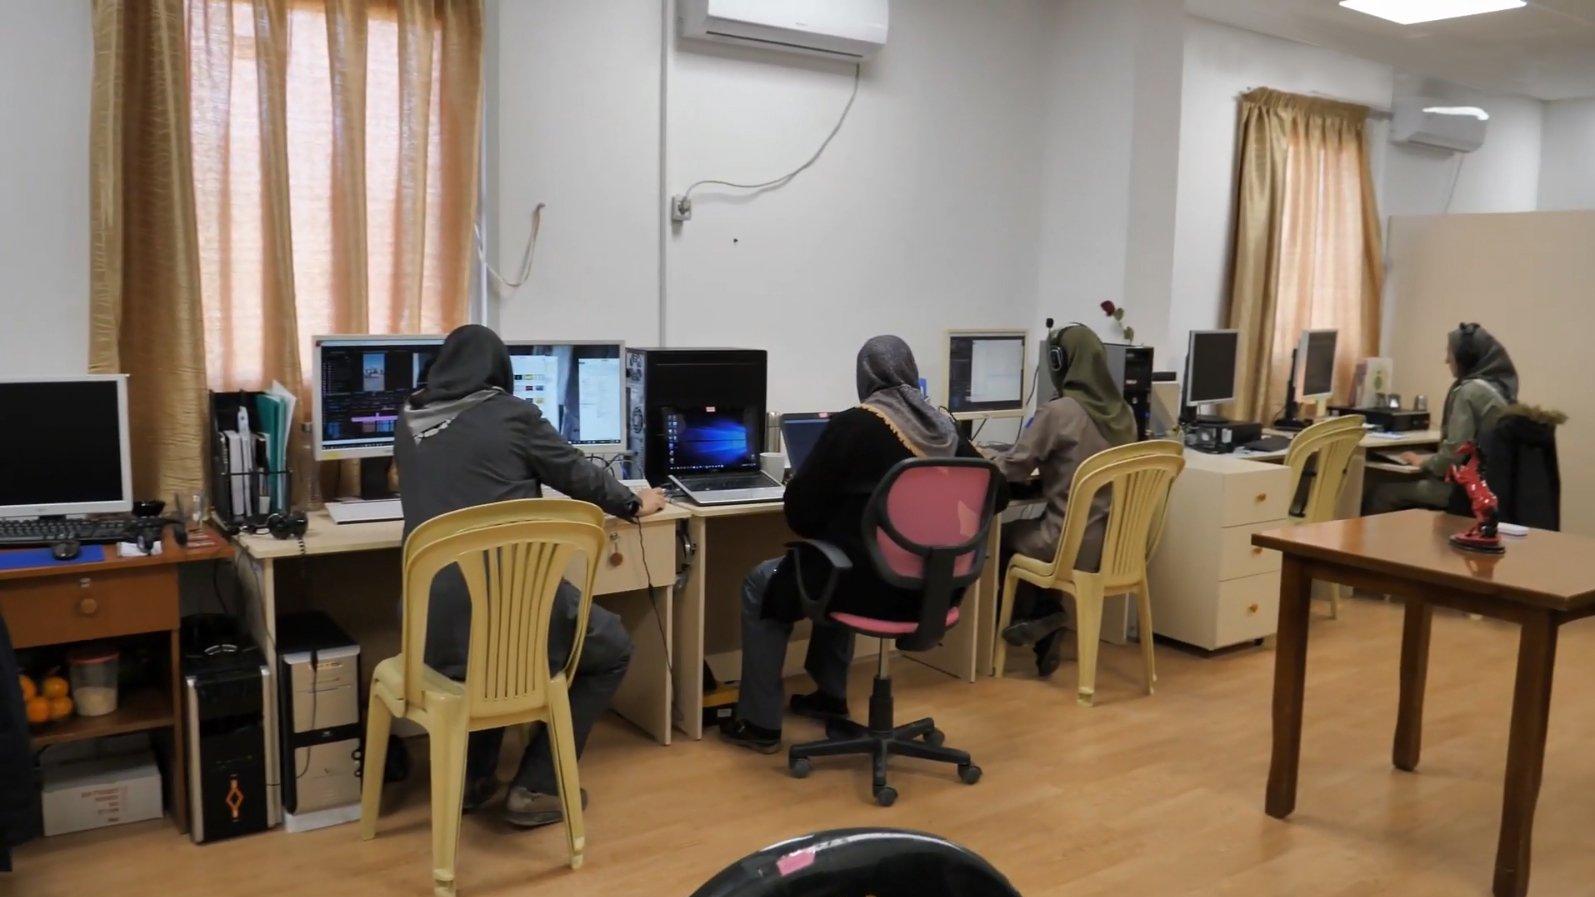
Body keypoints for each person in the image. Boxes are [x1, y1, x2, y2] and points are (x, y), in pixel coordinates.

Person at [394, 324, 668, 827]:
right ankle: (538, 787)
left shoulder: (407, 418)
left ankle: (473, 780)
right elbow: (578, 475)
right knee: (610, 646)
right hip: (504, 622)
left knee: (487, 639)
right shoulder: (512, 415)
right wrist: (634, 502)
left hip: (427, 624)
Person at [719, 335, 1007, 753]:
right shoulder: (947, 430)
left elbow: (800, 514)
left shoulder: (853, 425)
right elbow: (999, 496)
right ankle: (829, 697)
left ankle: (759, 723)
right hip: (935, 590)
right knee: (842, 558)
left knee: (768, 581)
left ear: (864, 377)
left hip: (867, 590)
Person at [989, 325, 1138, 677]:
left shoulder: (1058, 413)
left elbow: (1014, 468)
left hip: (1066, 545)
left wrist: (982, 457)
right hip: (1114, 549)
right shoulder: (1125, 415)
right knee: (1041, 531)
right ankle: (1046, 617)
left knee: (1001, 538)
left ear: (1059, 362)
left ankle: (1030, 622)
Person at [1369, 323, 1517, 514]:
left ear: (1464, 358)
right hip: (1492, 487)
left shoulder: (1469, 392)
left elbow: (1454, 453)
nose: (1446, 360)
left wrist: (1423, 462)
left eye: (1450, 353)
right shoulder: (1499, 390)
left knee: (1381, 493)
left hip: (1464, 491)